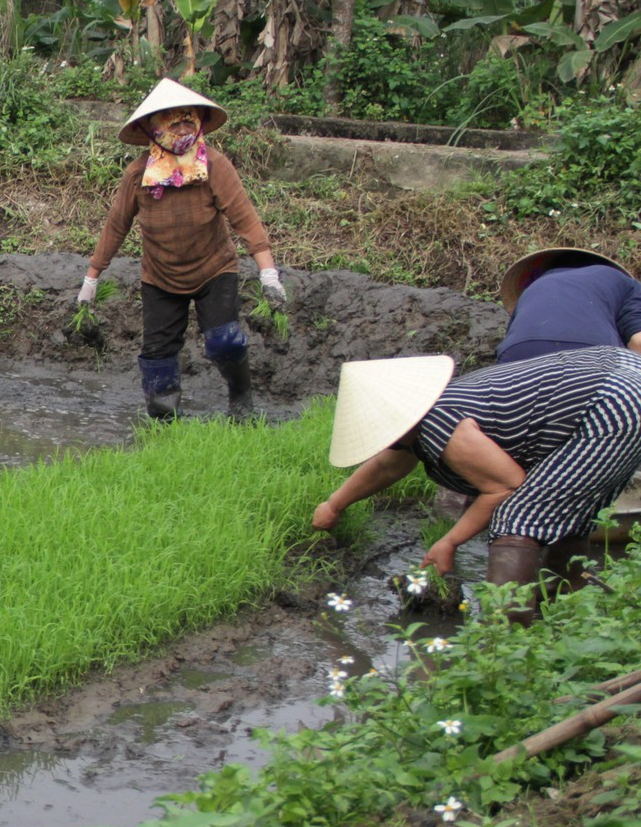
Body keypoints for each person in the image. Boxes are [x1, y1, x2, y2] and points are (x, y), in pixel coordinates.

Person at [312, 348, 641, 622]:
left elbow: (505, 487)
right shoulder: (427, 415)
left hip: (615, 401)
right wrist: (334, 505)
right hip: (619, 371)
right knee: (560, 509)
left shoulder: (443, 422)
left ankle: (503, 644)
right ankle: (566, 617)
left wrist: (449, 542)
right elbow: (389, 463)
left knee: (519, 515)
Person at [80, 78, 283, 422]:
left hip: (214, 269)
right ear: (151, 128)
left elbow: (245, 221)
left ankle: (241, 400)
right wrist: (91, 281)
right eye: (170, 122)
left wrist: (269, 275)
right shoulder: (137, 175)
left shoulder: (214, 167)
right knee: (157, 359)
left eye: (187, 120)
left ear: (199, 122)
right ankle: (165, 425)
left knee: (224, 340)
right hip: (160, 277)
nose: (180, 128)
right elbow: (116, 227)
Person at [495, 248, 641, 364]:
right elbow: (638, 342)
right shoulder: (623, 282)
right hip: (589, 352)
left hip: (515, 352)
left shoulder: (533, 287)